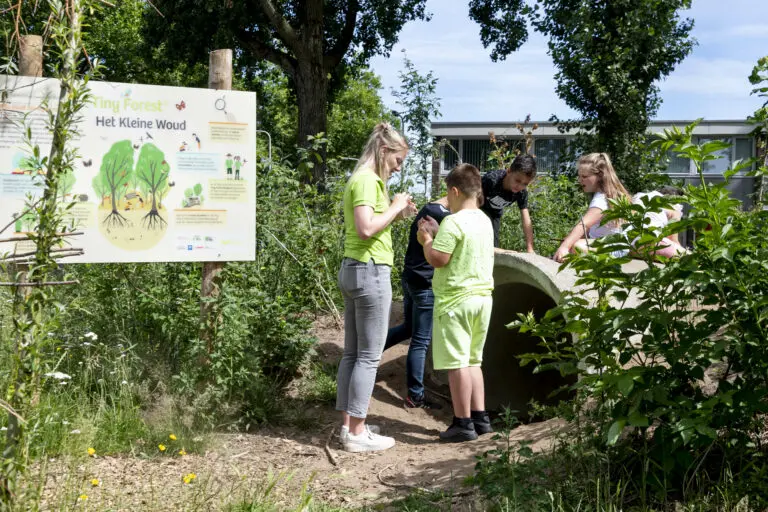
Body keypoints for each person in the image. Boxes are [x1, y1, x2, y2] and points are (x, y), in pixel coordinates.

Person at [336, 122, 417, 453]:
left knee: (353, 354)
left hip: (354, 268)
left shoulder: (362, 179)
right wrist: (395, 206)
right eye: (398, 161)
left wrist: (397, 213)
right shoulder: (368, 181)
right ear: (384, 151)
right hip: (369, 271)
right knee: (369, 357)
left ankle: (348, 426)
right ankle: (357, 433)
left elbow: (370, 225)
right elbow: (366, 228)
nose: (398, 168)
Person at [417, 163, 495, 442]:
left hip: (455, 301)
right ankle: (480, 418)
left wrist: (427, 240)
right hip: (482, 299)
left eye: (448, 195)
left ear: (455, 191)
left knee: (457, 363)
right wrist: (439, 234)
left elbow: (439, 259)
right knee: (474, 361)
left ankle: (462, 422)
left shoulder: (453, 221)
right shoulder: (484, 220)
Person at [383, 195, 451, 410]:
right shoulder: (443, 216)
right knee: (420, 341)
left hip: (411, 277)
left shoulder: (429, 208)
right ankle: (416, 396)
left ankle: (365, 356)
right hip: (425, 283)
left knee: (408, 328)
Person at [553, 153, 631, 262]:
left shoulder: (601, 199)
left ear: (600, 176)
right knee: (570, 242)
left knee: (575, 247)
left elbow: (584, 224)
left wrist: (564, 247)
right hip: (614, 246)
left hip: (615, 249)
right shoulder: (606, 194)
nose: (580, 180)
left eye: (584, 177)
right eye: (579, 176)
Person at [480, 154, 537, 251]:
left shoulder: (521, 192)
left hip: (495, 215)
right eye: (517, 180)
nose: (519, 186)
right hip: (478, 208)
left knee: (493, 246)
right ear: (509, 171)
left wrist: (530, 248)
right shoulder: (491, 180)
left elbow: (526, 218)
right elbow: (472, 197)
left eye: (525, 184)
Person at [630, 186, 687, 259]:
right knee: (690, 258)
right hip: (651, 246)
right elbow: (672, 238)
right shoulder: (674, 207)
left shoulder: (640, 197)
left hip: (631, 247)